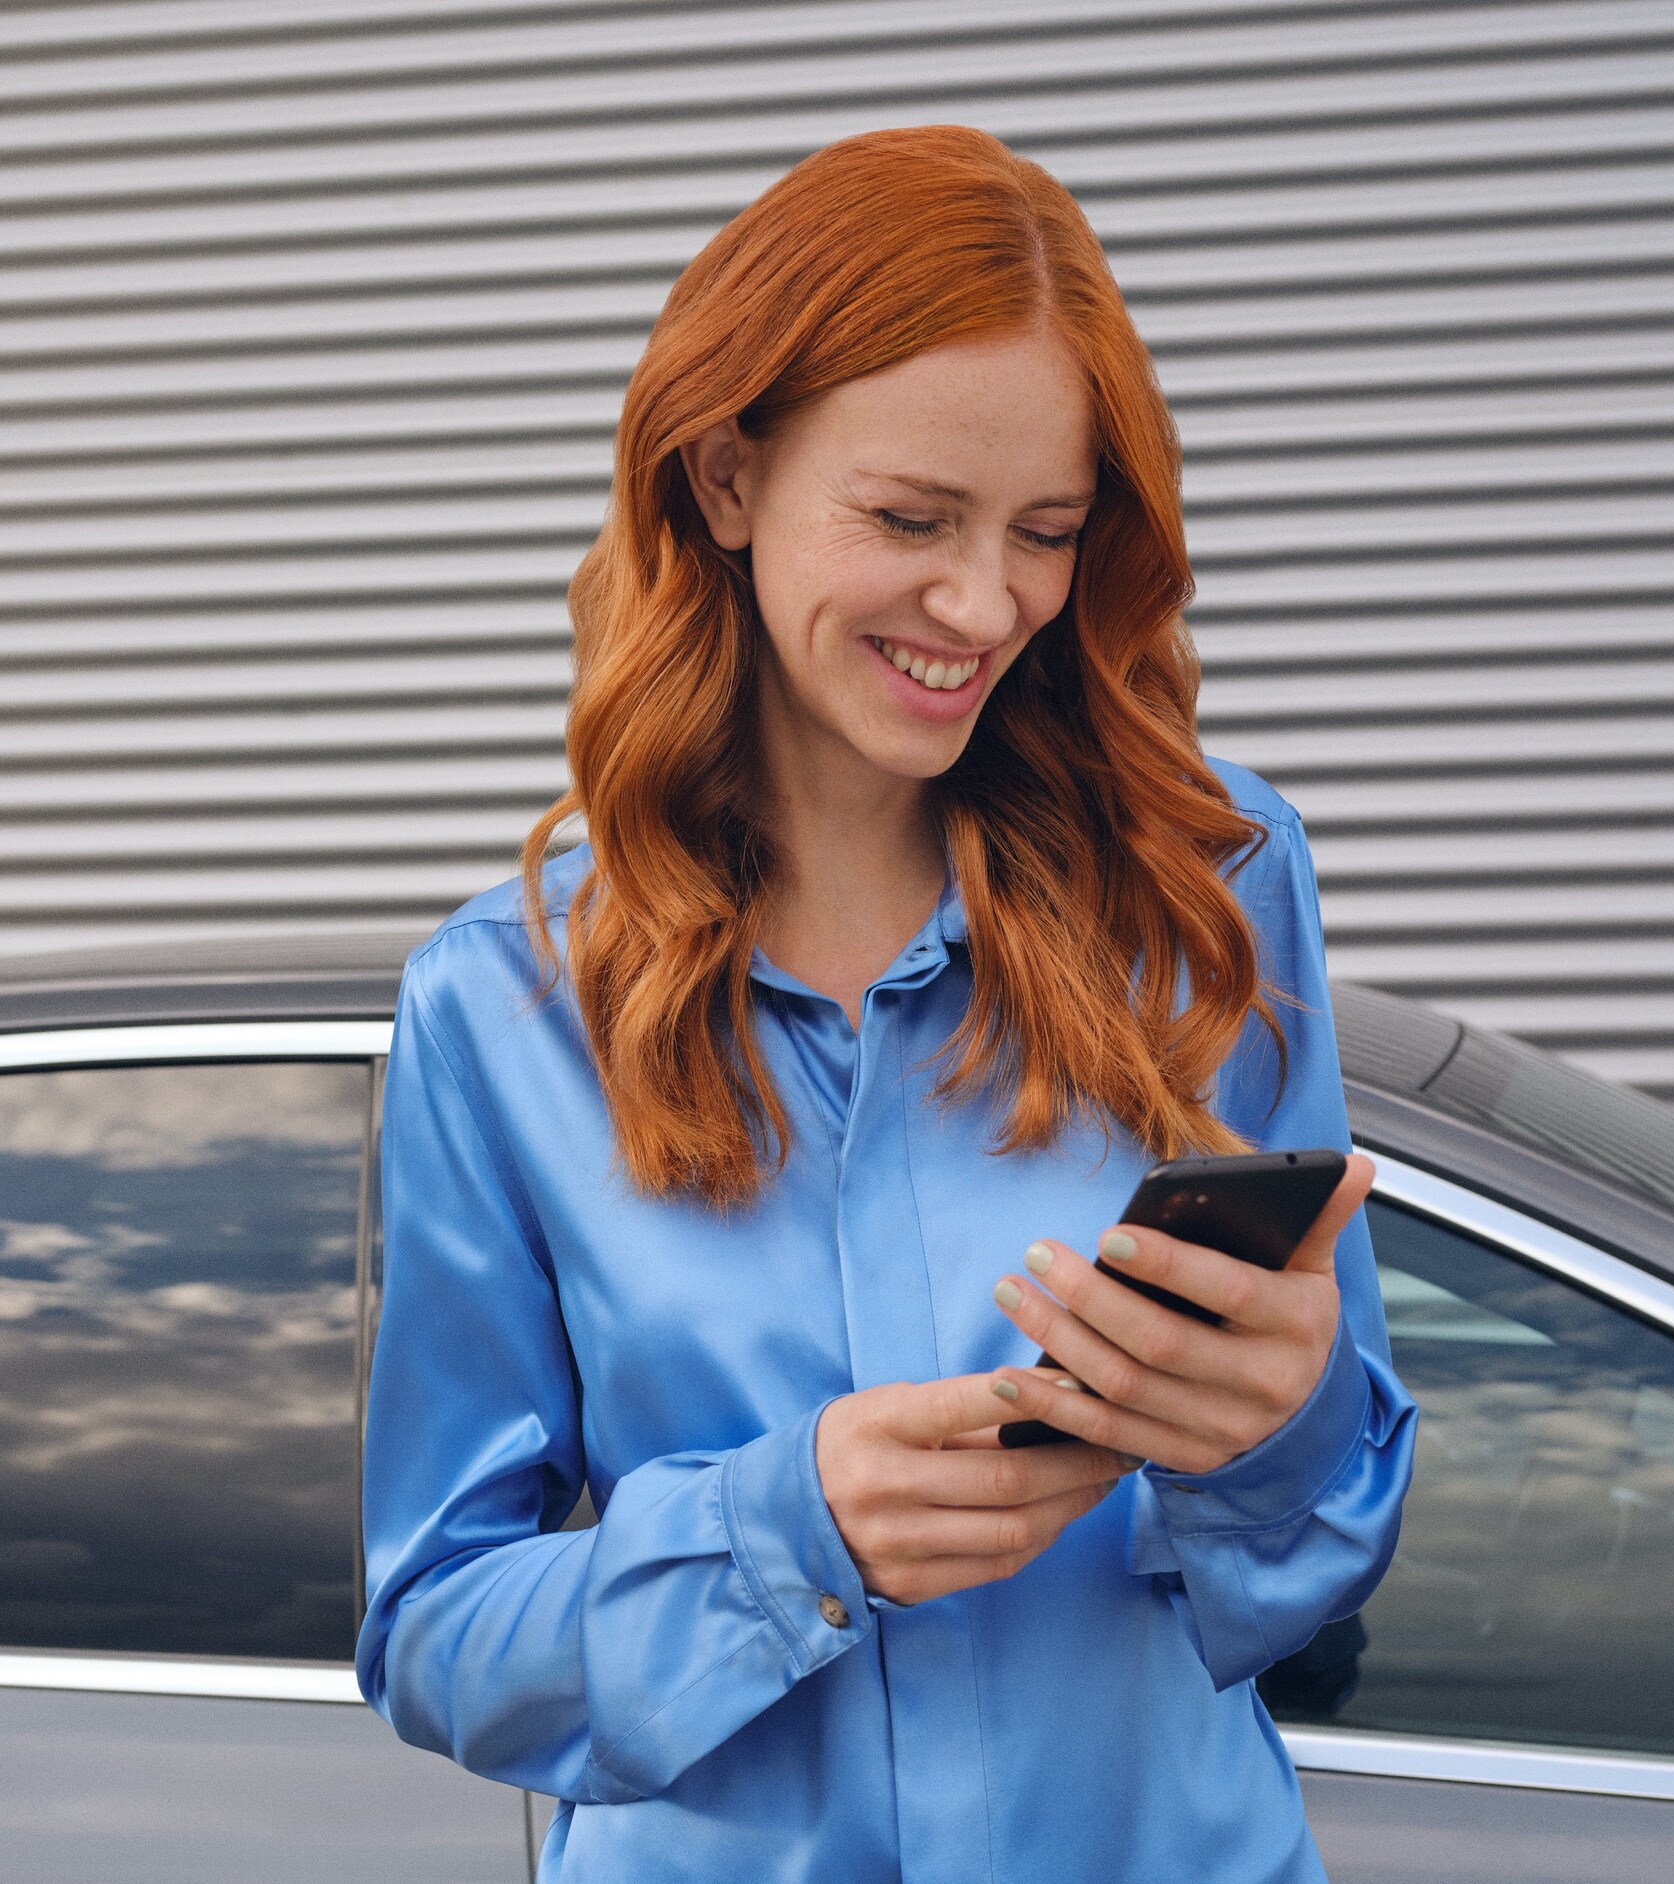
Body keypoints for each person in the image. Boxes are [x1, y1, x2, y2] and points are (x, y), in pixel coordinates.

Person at [355, 123, 1418, 1884]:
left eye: (1048, 532)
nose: (984, 603)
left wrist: (1282, 1429)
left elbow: (1311, 1564)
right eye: (911, 518)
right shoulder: (500, 1012)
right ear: (721, 481)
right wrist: (793, 1528)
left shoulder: (1208, 896)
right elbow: (440, 1637)